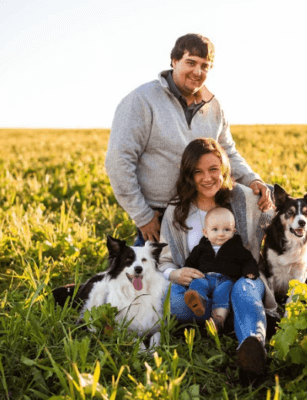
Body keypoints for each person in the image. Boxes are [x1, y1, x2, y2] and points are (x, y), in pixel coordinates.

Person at [105, 33, 272, 245]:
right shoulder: (141, 101)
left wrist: (252, 179)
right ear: (174, 61)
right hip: (159, 214)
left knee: (217, 271)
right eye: (190, 62)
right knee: (158, 276)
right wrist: (143, 216)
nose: (197, 72)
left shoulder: (214, 106)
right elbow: (119, 160)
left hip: (207, 209)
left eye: (205, 66)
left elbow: (227, 151)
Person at [158, 138, 278, 379]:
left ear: (224, 169)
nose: (207, 178)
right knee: (175, 302)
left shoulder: (244, 199)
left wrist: (266, 193)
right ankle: (228, 317)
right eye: (198, 172)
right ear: (188, 175)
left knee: (243, 291)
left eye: (213, 169)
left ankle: (252, 348)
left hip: (241, 279)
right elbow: (164, 260)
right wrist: (175, 273)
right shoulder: (176, 211)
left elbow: (277, 222)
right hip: (199, 287)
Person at [183, 207, 260, 333]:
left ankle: (218, 321)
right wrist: (187, 272)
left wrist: (250, 270)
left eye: (227, 229)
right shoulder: (200, 249)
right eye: (215, 229)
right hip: (205, 278)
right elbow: (190, 263)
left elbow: (248, 260)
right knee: (197, 284)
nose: (221, 234)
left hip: (226, 280)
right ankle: (198, 301)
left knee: (223, 292)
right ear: (205, 232)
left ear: (234, 232)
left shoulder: (237, 248)